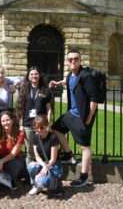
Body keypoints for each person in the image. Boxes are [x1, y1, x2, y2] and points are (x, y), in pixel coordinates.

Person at [49, 49, 99, 187]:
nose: (73, 61)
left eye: (76, 59)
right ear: (67, 61)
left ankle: (84, 177)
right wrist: (59, 83)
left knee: (85, 146)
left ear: (80, 60)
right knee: (56, 129)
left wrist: (89, 117)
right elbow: (70, 81)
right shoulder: (70, 75)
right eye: (70, 59)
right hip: (71, 113)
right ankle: (69, 154)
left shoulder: (87, 75)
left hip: (83, 116)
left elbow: (94, 98)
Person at [17, 67, 53, 166]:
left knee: (41, 150)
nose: (34, 76)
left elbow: (49, 109)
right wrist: (21, 125)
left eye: (36, 74)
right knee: (29, 152)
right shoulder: (24, 90)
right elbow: (20, 108)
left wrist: (48, 124)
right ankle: (31, 176)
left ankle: (42, 172)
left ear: (40, 75)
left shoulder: (45, 91)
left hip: (40, 125)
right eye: (31, 74)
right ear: (28, 77)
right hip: (27, 125)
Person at [27, 115, 62, 195]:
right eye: (37, 128)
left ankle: (44, 183)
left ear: (46, 126)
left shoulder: (53, 138)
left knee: (41, 181)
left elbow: (53, 159)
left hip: (53, 165)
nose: (39, 130)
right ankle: (37, 186)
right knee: (31, 166)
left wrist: (46, 166)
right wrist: (43, 165)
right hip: (42, 163)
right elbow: (37, 156)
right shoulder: (36, 138)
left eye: (41, 127)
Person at [0, 111, 25, 190]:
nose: (5, 123)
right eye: (3, 121)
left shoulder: (20, 134)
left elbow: (13, 154)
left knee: (13, 165)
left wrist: (1, 162)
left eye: (7, 120)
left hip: (14, 159)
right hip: (0, 157)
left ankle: (11, 180)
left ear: (12, 120)